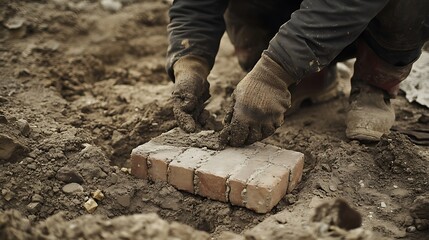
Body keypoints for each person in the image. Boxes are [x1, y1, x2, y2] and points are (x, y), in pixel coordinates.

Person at [166, 0, 429, 147]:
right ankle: (309, 77)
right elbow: (195, 4)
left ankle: (375, 81)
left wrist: (273, 74)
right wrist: (190, 63)